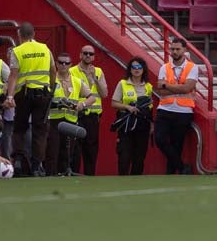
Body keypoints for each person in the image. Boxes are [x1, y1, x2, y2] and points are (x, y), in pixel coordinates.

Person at [5, 22, 56, 178]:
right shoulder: (45, 48)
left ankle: (19, 160)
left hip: (24, 93)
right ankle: (36, 165)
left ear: (19, 36)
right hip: (43, 93)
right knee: (40, 131)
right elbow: (53, 70)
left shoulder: (17, 51)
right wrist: (51, 89)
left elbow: (13, 75)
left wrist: (10, 96)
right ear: (34, 34)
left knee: (19, 128)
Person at [153, 38, 201, 175]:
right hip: (165, 108)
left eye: (177, 49)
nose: (174, 52)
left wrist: (167, 85)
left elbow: (187, 88)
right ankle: (182, 167)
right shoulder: (165, 67)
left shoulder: (192, 67)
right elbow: (160, 90)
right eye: (172, 49)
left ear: (185, 50)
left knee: (177, 144)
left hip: (184, 111)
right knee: (160, 139)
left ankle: (171, 173)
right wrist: (178, 87)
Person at [47, 52, 95, 175]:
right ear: (56, 64)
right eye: (61, 62)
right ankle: (51, 175)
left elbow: (92, 97)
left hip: (70, 120)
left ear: (70, 65)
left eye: (66, 63)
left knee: (67, 152)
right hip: (53, 120)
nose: (63, 65)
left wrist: (82, 105)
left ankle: (64, 175)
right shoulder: (50, 79)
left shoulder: (77, 81)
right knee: (52, 151)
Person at [110, 57, 153, 176]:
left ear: (143, 69)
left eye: (139, 67)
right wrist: (128, 107)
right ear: (130, 69)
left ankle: (136, 183)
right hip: (126, 124)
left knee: (139, 157)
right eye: (134, 67)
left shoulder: (148, 86)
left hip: (142, 124)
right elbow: (114, 103)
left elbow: (150, 107)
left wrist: (151, 124)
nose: (137, 70)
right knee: (124, 156)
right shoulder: (123, 83)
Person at [70, 45, 106, 175]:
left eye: (91, 54)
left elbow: (104, 94)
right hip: (78, 113)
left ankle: (90, 175)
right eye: (85, 53)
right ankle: (74, 174)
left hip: (93, 116)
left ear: (94, 56)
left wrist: (94, 80)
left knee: (91, 149)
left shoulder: (99, 72)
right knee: (75, 148)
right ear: (80, 55)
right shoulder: (73, 71)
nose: (88, 56)